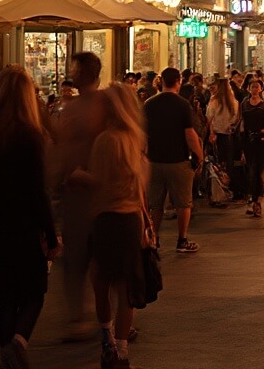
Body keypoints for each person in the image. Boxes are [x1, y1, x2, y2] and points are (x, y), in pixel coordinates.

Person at [0, 66, 59, 369]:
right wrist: (50, 232)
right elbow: (37, 191)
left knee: (7, 296)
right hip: (23, 225)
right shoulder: (29, 136)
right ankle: (19, 342)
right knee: (34, 291)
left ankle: (8, 352)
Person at [80, 84, 149, 369]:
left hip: (106, 219)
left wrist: (78, 177)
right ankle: (121, 352)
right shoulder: (134, 139)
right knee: (125, 290)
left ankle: (107, 339)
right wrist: (146, 223)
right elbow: (138, 186)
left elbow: (99, 183)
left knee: (101, 283)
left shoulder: (105, 141)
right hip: (130, 219)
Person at [51, 51, 105, 339]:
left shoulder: (100, 104)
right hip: (75, 192)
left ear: (88, 72)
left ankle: (99, 314)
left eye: (75, 67)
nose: (72, 71)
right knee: (76, 257)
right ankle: (78, 315)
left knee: (95, 255)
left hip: (94, 191)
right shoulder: (71, 107)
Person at [145, 67, 203, 252]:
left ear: (161, 82)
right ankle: (182, 240)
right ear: (178, 81)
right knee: (183, 203)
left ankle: (155, 239)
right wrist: (199, 155)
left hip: (154, 160)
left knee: (155, 204)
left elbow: (142, 134)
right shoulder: (182, 105)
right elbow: (190, 134)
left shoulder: (148, 104)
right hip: (178, 161)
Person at [240, 79, 264, 217]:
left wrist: (262, 132)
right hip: (248, 142)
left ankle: (257, 201)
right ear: (249, 88)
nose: (255, 89)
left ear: (261, 89)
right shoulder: (244, 104)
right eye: (252, 86)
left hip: (261, 141)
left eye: (257, 87)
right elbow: (241, 121)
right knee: (251, 172)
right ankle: (253, 199)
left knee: (257, 172)